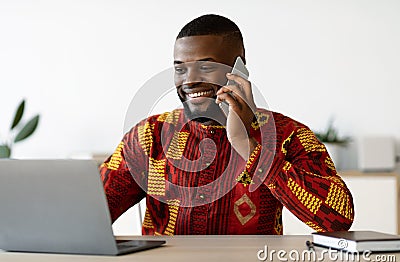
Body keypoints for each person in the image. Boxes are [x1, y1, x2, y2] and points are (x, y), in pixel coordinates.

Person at [101, 14, 354, 235]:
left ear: (239, 68)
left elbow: (338, 220)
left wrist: (247, 145)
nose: (189, 81)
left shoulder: (288, 134)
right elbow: (93, 213)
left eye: (206, 67)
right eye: (180, 69)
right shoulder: (150, 135)